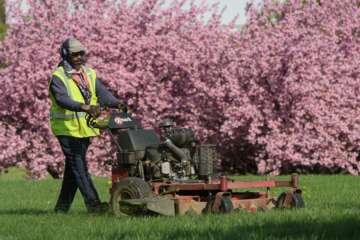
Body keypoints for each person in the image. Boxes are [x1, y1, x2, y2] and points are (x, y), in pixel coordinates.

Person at [49, 37, 126, 213]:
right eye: (74, 54)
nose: (78, 57)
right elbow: (62, 100)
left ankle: (61, 210)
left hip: (85, 128)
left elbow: (101, 93)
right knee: (80, 166)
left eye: (81, 53)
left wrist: (117, 103)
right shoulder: (58, 77)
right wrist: (85, 107)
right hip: (67, 130)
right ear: (65, 55)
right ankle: (94, 205)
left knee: (73, 170)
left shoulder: (88, 73)